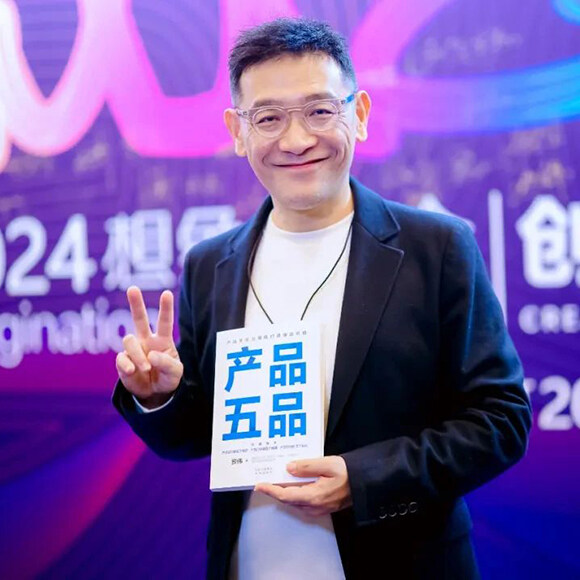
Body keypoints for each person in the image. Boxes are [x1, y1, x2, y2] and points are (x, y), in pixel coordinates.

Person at [113, 17, 531, 580]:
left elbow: (500, 420)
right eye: (268, 118)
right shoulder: (210, 265)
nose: (296, 140)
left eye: (318, 111)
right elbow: (196, 437)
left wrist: (365, 479)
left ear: (359, 115)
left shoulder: (437, 248)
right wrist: (159, 397)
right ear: (237, 131)